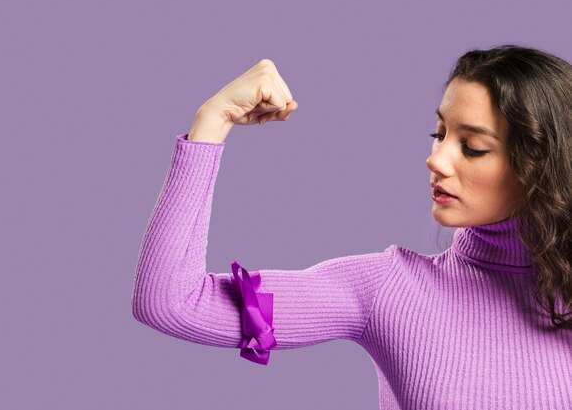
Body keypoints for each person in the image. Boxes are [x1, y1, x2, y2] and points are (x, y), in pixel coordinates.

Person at [131, 45, 572, 409]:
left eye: (472, 147)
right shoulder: (389, 289)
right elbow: (172, 302)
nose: (436, 160)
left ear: (541, 165)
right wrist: (214, 120)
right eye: (439, 135)